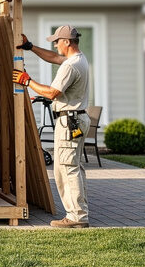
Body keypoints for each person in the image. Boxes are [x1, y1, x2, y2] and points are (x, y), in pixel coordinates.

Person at [13, 25, 91, 228]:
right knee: (73, 167)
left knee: (66, 168)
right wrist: (30, 47)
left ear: (67, 42)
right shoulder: (78, 59)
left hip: (69, 120)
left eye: (57, 41)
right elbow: (54, 58)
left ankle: (76, 217)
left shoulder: (71, 66)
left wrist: (27, 81)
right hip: (77, 118)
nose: (55, 45)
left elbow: (51, 93)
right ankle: (79, 212)